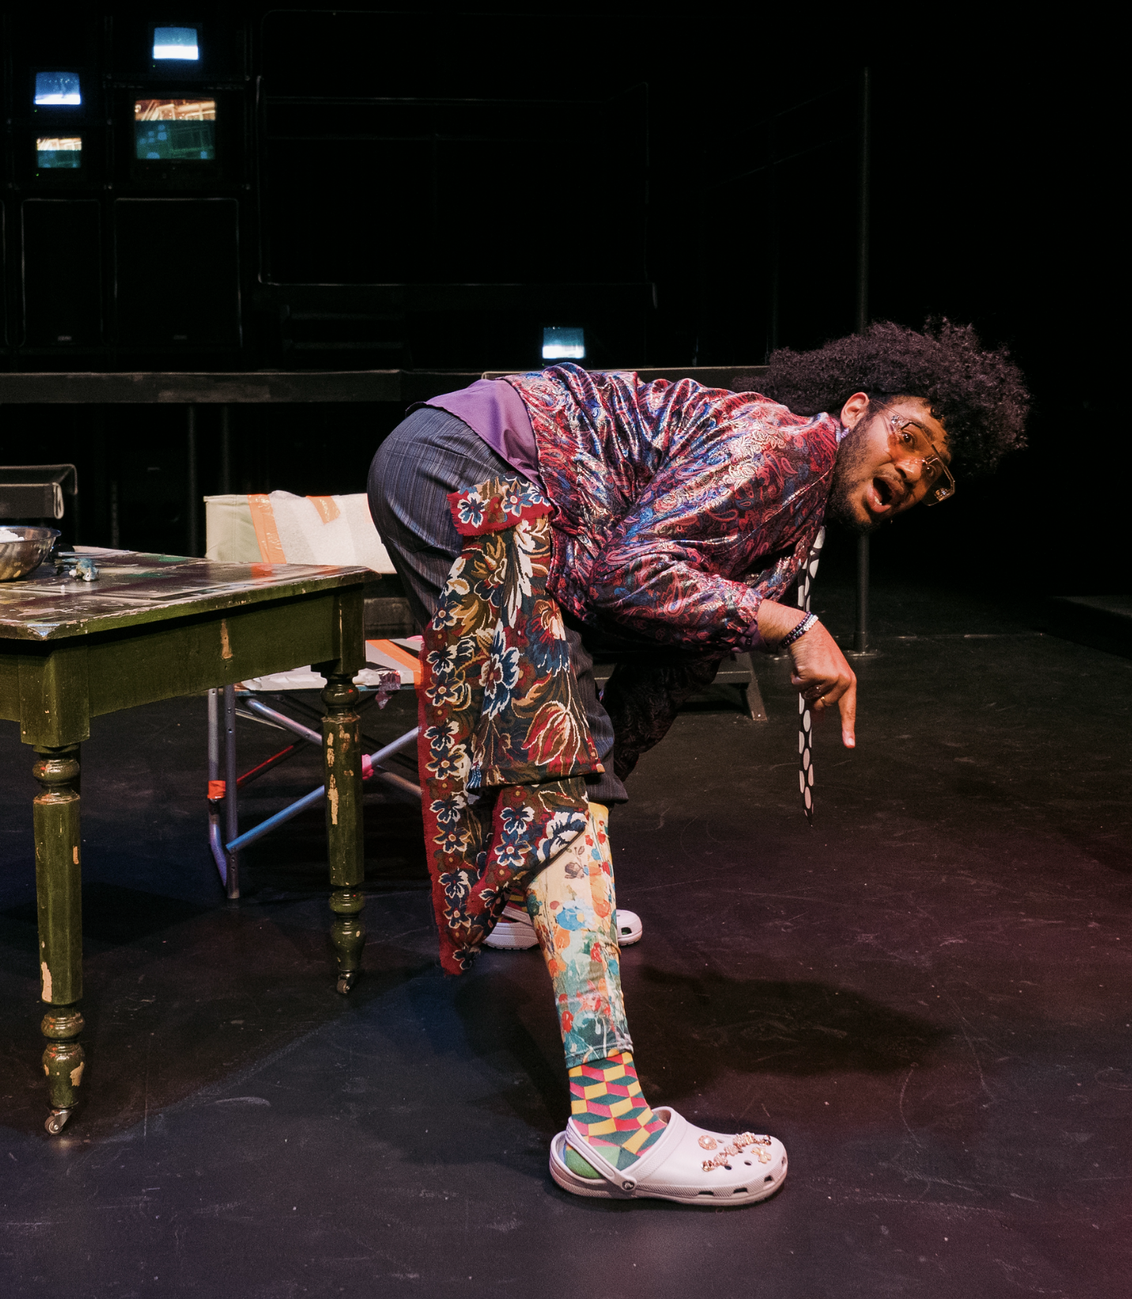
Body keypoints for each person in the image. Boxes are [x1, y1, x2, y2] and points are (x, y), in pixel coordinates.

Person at [366, 322, 1029, 1204]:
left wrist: (597, 774)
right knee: (550, 725)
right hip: (469, 462)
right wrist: (794, 626)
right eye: (910, 439)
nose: (915, 475)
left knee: (569, 732)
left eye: (938, 480)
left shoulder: (797, 525)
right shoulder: (786, 446)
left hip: (481, 470)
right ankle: (610, 1132)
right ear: (856, 410)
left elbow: (668, 656)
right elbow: (629, 574)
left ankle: (524, 899)